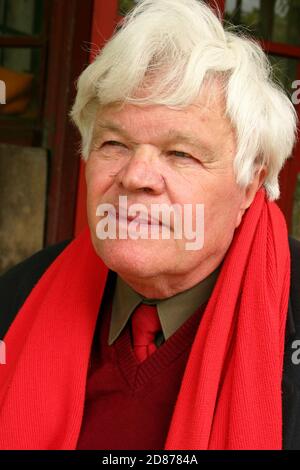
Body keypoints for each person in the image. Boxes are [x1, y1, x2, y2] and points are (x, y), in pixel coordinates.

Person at [0, 0, 299, 450]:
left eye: (180, 153)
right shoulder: (17, 296)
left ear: (249, 184)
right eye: (114, 143)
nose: (135, 177)